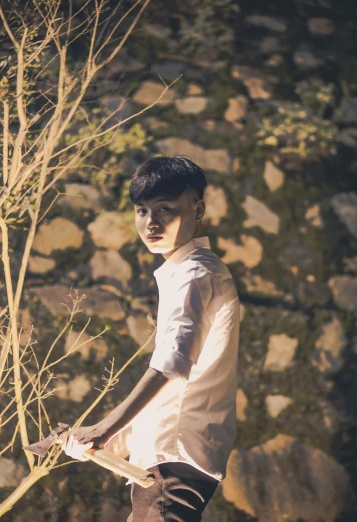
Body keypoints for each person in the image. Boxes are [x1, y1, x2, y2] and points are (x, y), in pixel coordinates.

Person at [62, 156, 241, 521]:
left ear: (198, 209)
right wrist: (116, 439)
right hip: (166, 465)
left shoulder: (195, 275)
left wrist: (102, 428)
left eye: (166, 208)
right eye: (142, 210)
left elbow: (170, 368)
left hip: (173, 465)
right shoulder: (186, 273)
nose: (151, 223)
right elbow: (174, 388)